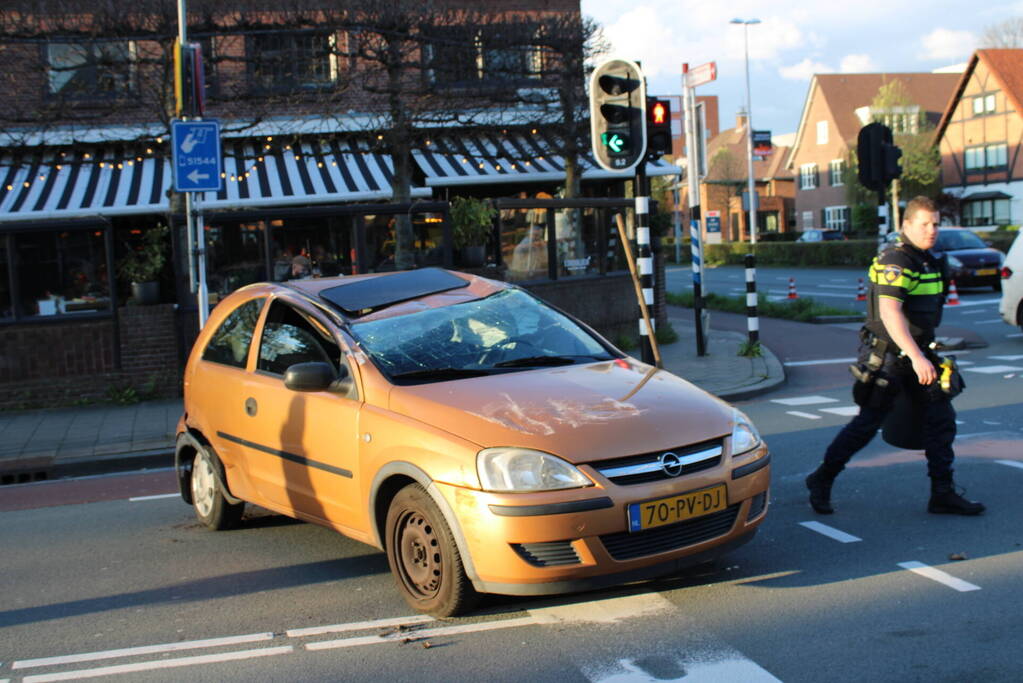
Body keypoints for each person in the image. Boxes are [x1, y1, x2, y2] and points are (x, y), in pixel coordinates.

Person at [805, 196, 984, 516]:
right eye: (924, 224)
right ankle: (822, 479)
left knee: (941, 423)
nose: (932, 230)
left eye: (936, 224)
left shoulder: (928, 259)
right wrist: (916, 357)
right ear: (906, 225)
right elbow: (890, 312)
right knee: (867, 425)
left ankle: (942, 493)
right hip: (889, 356)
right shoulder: (896, 261)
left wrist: (923, 355)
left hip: (921, 355)